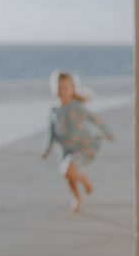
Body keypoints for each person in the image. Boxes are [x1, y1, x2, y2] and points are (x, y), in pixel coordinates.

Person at [41, 70, 113, 213]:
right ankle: (77, 198)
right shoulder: (54, 111)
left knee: (67, 171)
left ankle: (84, 179)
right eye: (60, 87)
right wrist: (46, 150)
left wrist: (107, 132)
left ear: (73, 89)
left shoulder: (76, 107)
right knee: (68, 177)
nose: (63, 91)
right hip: (65, 150)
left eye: (67, 87)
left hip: (82, 147)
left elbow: (95, 119)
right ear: (54, 89)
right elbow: (51, 133)